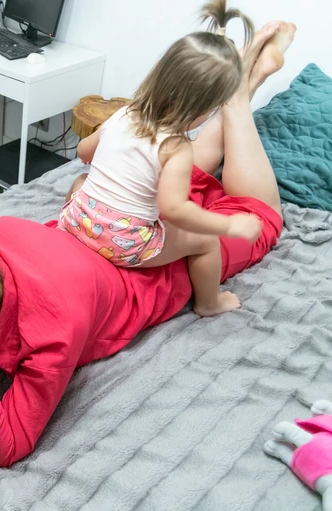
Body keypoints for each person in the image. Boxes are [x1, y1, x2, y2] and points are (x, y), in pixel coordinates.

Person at [0, 20, 294, 467]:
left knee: (259, 216)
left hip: (141, 271)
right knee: (185, 166)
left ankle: (238, 94)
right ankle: (239, 84)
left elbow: (7, 447)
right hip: (122, 227)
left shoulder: (51, 329)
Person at [59, 0, 295, 317]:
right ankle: (209, 303)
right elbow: (175, 210)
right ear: (204, 109)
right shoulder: (176, 147)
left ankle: (246, 77)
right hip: (123, 245)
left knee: (81, 181)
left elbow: (83, 152)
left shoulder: (124, 113)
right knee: (206, 240)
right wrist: (229, 224)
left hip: (76, 222)